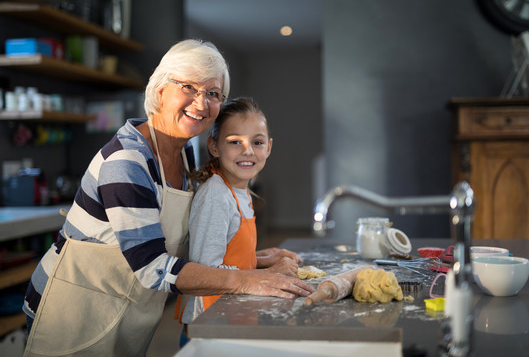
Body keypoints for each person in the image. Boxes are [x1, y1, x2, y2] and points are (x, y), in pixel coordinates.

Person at [22, 40, 313, 357]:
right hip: (75, 311)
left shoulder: (185, 153)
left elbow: (175, 241)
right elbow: (152, 266)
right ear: (160, 90)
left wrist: (254, 259)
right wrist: (247, 279)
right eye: (189, 87)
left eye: (213, 93)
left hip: (129, 308)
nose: (201, 103)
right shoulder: (127, 162)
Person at [175, 97, 302, 334]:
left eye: (257, 142)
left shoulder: (241, 191)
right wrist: (267, 273)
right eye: (235, 141)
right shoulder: (216, 195)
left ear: (269, 147)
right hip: (210, 325)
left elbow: (228, 260)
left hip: (232, 315)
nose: (247, 151)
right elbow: (205, 273)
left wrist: (265, 261)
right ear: (214, 146)